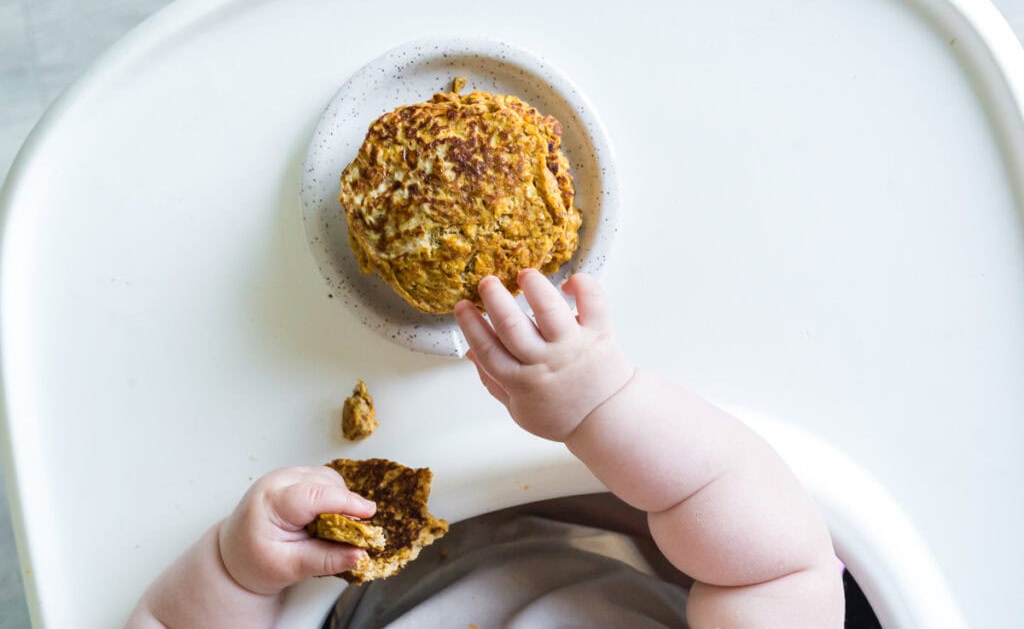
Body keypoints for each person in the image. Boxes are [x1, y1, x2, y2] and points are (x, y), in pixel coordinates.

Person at [127, 270, 844, 628]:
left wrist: (237, 569)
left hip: (346, 584)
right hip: (607, 511)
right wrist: (600, 405)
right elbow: (779, 563)